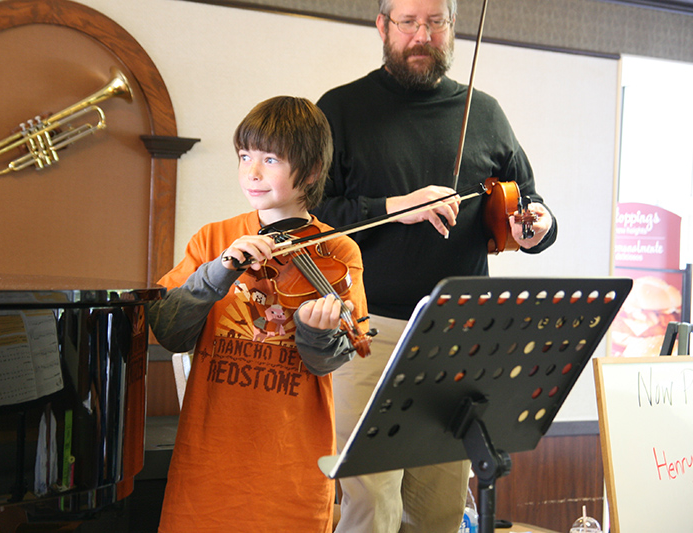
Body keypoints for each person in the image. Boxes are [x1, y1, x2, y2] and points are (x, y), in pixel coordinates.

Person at [312, 0, 558, 532]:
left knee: (442, 508)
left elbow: (528, 205)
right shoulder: (340, 108)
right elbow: (311, 217)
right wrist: (394, 208)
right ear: (382, 27)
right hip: (366, 330)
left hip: (457, 335)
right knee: (371, 506)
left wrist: (536, 227)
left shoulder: (485, 112)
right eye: (408, 22)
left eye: (435, 22)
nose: (422, 35)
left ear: (452, 29)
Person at [149, 95, 369, 533]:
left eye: (270, 159)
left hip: (292, 465)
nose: (251, 171)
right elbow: (168, 331)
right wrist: (218, 272)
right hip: (210, 460)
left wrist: (313, 330)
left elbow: (328, 360)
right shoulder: (214, 239)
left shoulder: (337, 252)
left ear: (308, 172)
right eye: (245, 156)